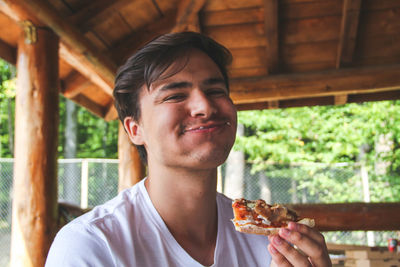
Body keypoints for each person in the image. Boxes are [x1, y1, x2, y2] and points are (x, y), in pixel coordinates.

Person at [46, 32, 332, 267]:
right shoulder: (92, 245)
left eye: (216, 91)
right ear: (135, 130)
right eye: (175, 95)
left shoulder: (273, 244)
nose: (205, 106)